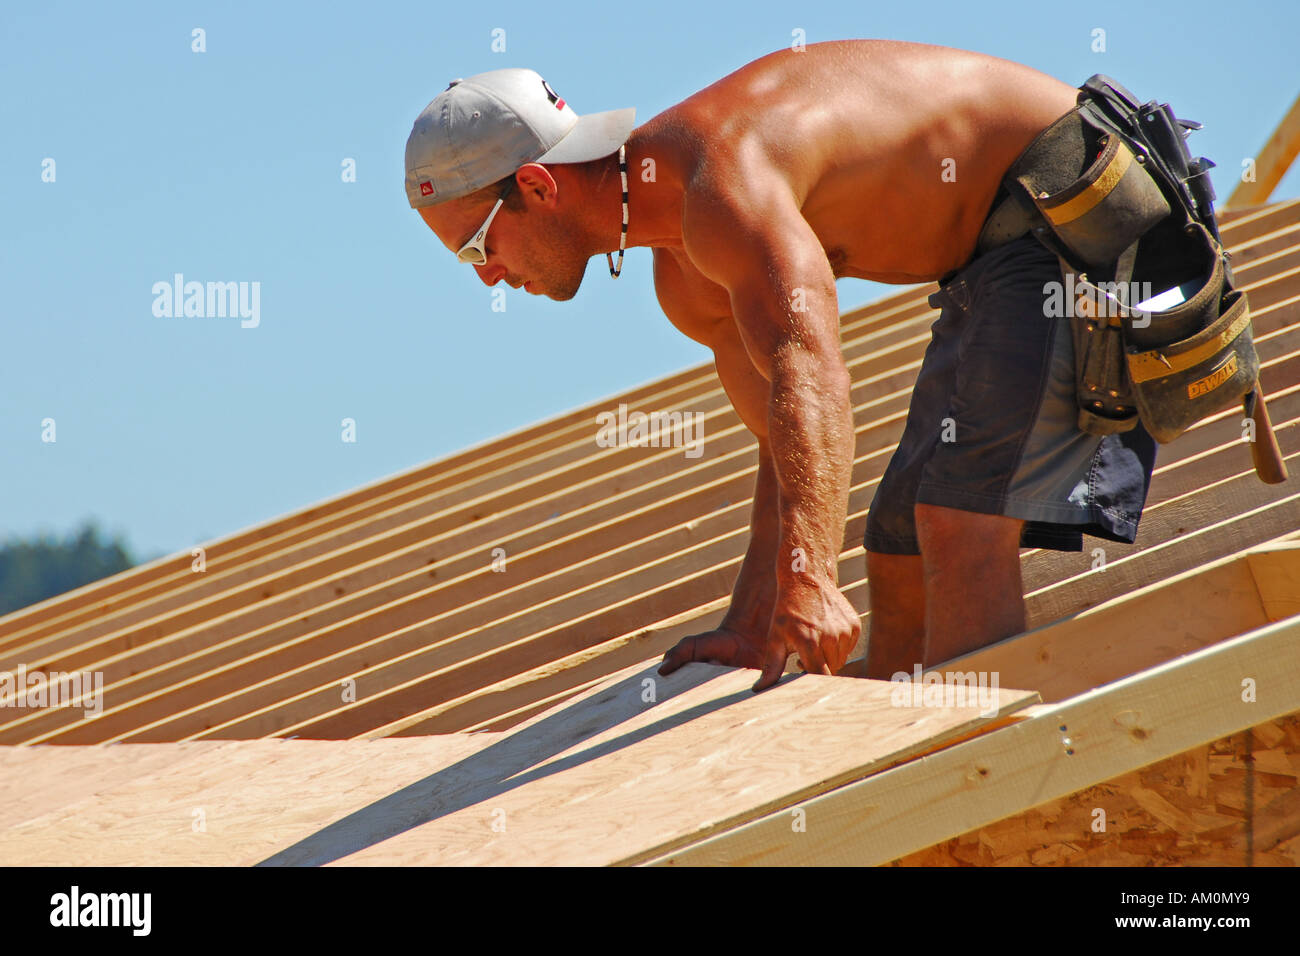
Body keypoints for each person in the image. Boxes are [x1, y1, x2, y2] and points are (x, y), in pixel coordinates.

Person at [404, 38, 1158, 692]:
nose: (486, 277)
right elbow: (782, 432)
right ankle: (894, 788)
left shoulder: (719, 176)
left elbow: (812, 368)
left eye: (478, 247)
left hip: (1077, 203)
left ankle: (983, 782)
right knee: (895, 539)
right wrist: (755, 617)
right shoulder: (684, 275)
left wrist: (811, 576)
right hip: (990, 266)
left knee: (956, 522)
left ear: (537, 186)